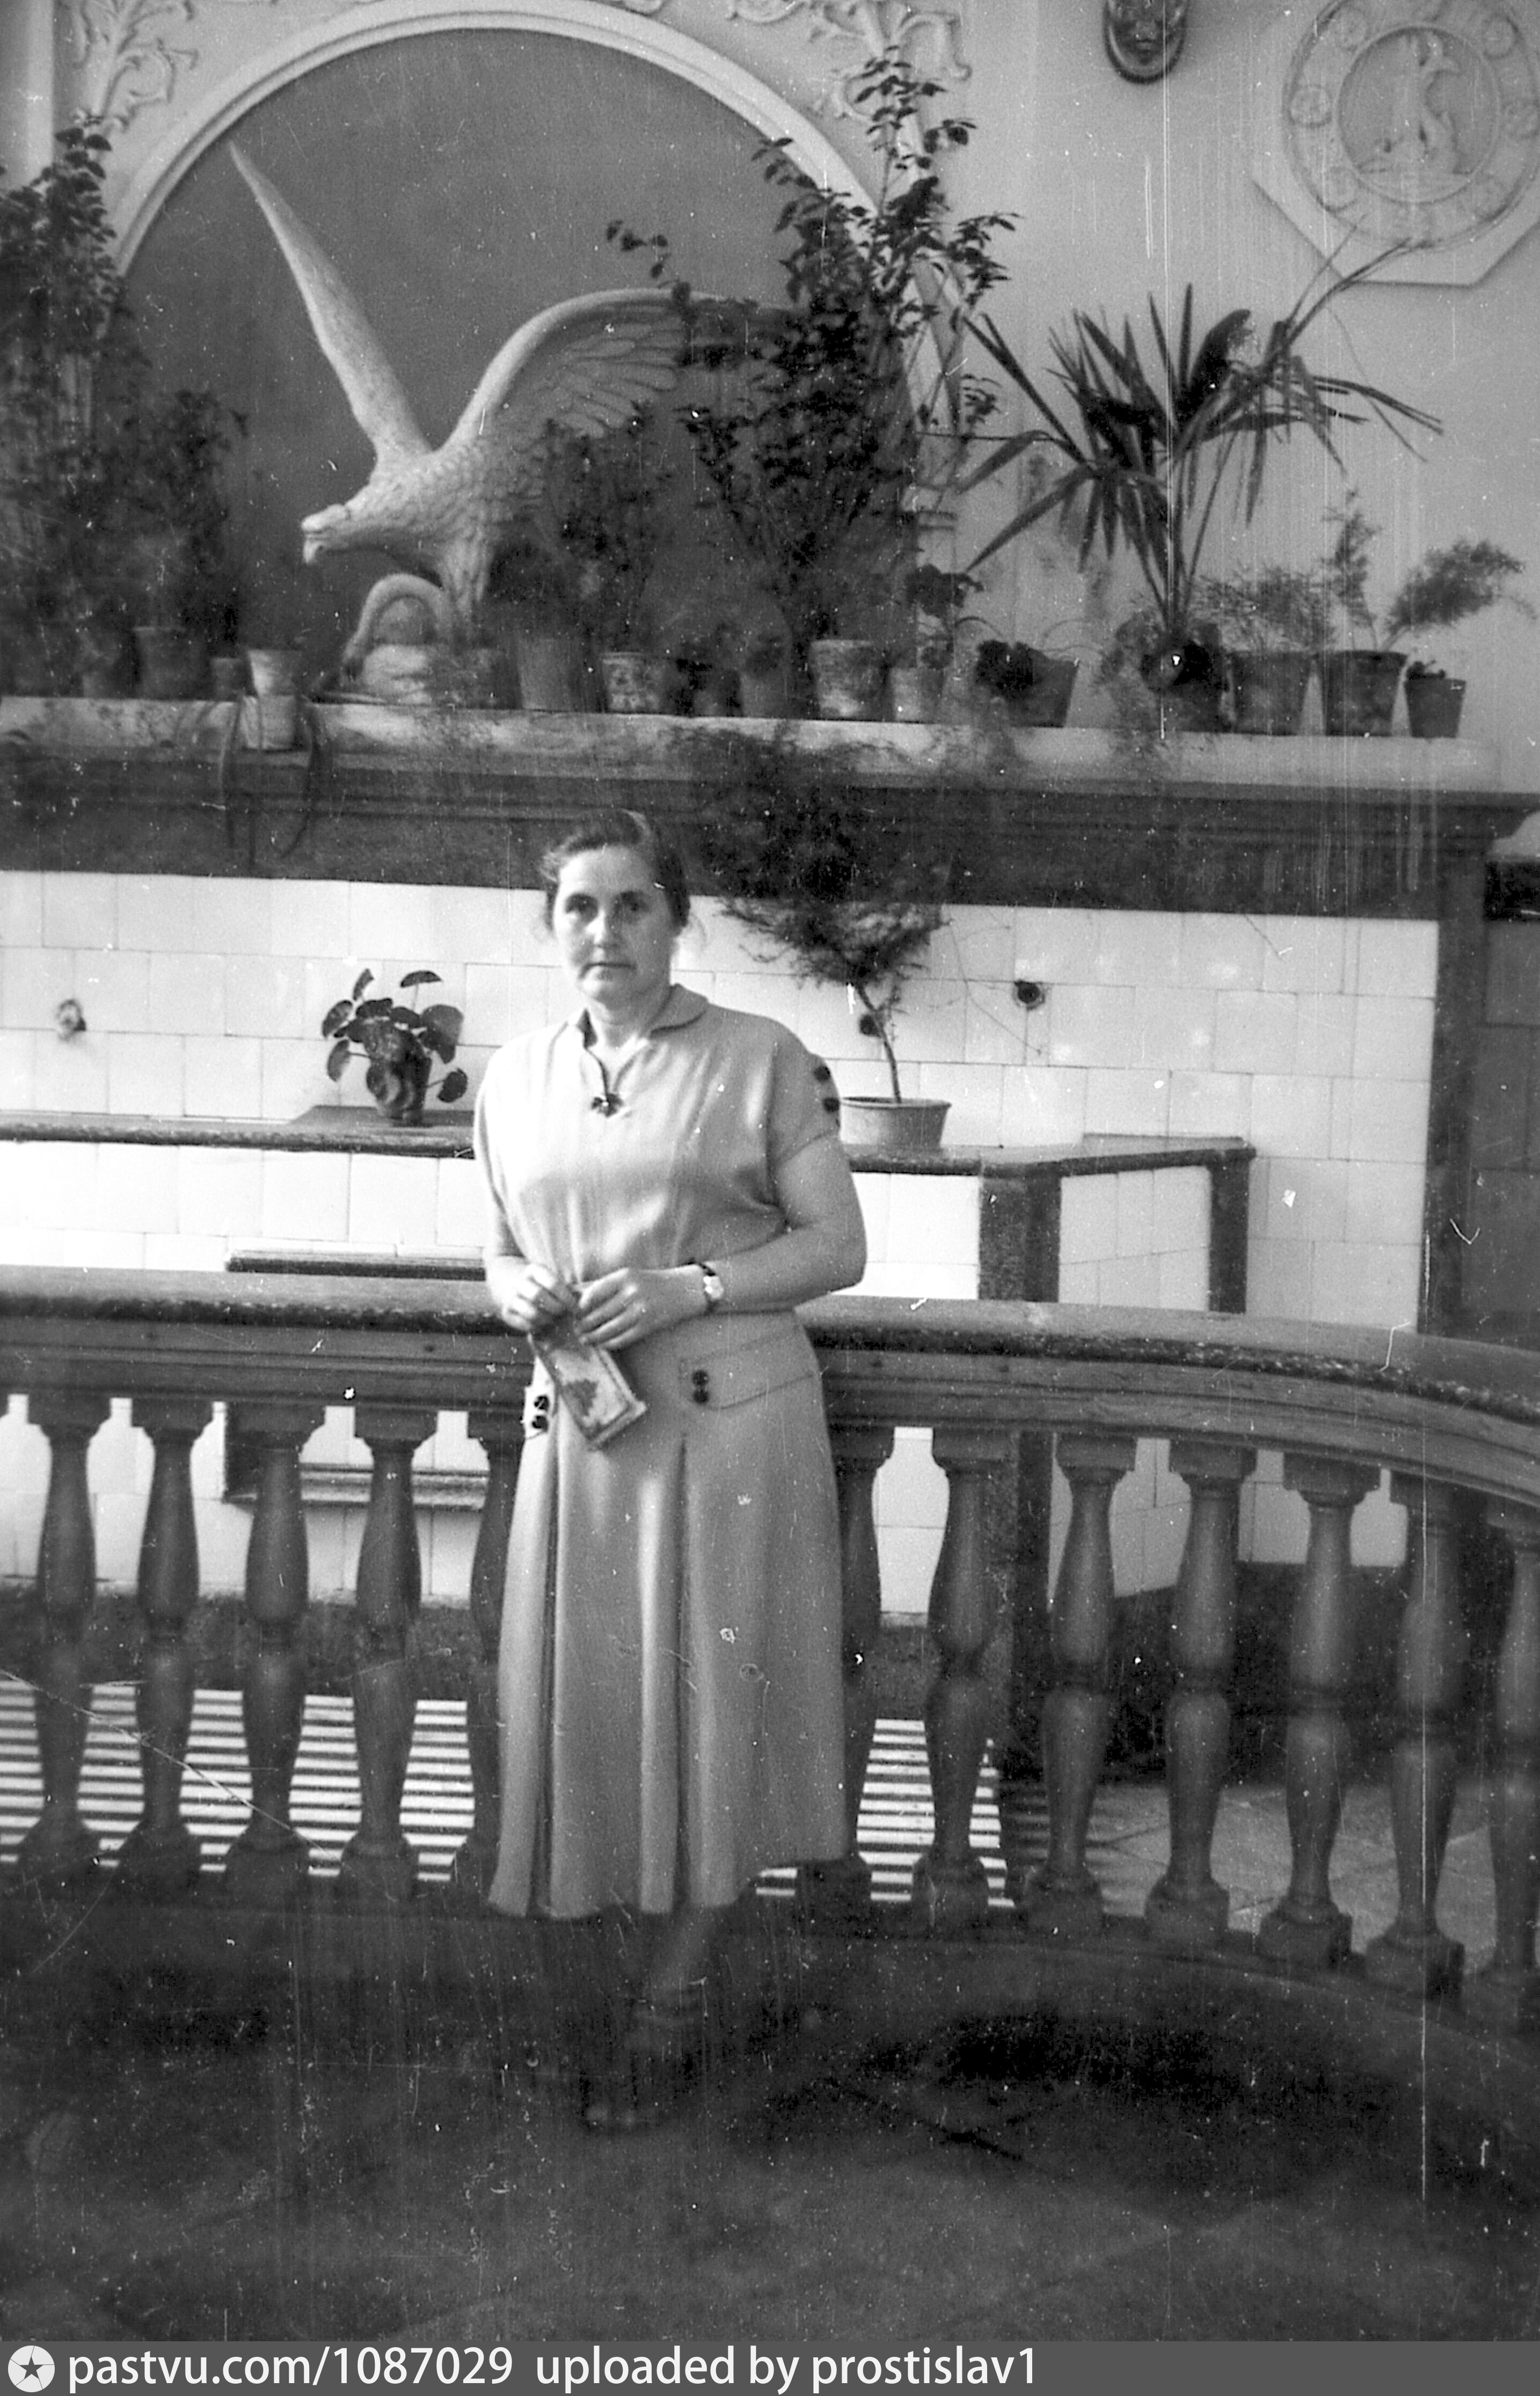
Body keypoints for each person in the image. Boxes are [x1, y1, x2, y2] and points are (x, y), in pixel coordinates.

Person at [473, 807, 867, 2127]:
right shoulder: (515, 1075)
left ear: (677, 919)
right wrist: (510, 1286)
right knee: (583, 1717)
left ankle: (671, 2010)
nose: (606, 930)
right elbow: (497, 1242)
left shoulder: (760, 1057)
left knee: (714, 1715)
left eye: (633, 904)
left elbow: (836, 1248)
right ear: (551, 926)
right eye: (579, 907)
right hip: (584, 1440)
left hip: (725, 1432)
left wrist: (690, 1283)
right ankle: (604, 1995)